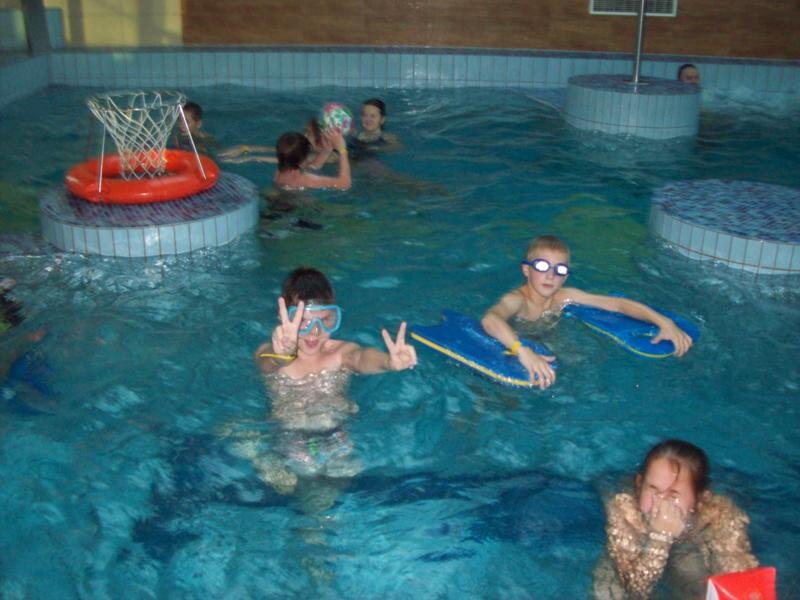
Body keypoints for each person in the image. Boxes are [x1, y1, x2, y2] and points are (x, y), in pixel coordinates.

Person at [244, 267, 416, 492]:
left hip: (335, 434)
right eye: (303, 322)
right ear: (284, 318)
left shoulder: (340, 353)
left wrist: (388, 362)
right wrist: (282, 355)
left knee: (342, 476)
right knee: (290, 480)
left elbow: (360, 358)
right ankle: (262, 457)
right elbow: (268, 362)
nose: (314, 332)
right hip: (288, 435)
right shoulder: (269, 353)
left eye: (325, 320)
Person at [480, 235, 693, 389]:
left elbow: (617, 304)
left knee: (589, 363)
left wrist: (664, 322)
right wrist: (522, 351)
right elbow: (490, 320)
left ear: (565, 277)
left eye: (559, 270)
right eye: (542, 266)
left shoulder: (563, 296)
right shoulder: (518, 300)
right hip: (510, 347)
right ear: (526, 270)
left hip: (549, 342)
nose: (551, 276)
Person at [592, 439, 759, 599]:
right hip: (635, 558)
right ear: (639, 484)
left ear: (699, 499)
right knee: (607, 587)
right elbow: (635, 591)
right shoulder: (624, 510)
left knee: (693, 575)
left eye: (673, 495)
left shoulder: (718, 514)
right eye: (653, 489)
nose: (660, 504)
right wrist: (660, 537)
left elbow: (740, 576)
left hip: (687, 548)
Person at [272, 129, 351, 190]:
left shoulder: (279, 172)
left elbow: (312, 167)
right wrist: (342, 149)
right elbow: (344, 184)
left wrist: (327, 149)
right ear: (302, 160)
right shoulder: (305, 180)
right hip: (299, 206)